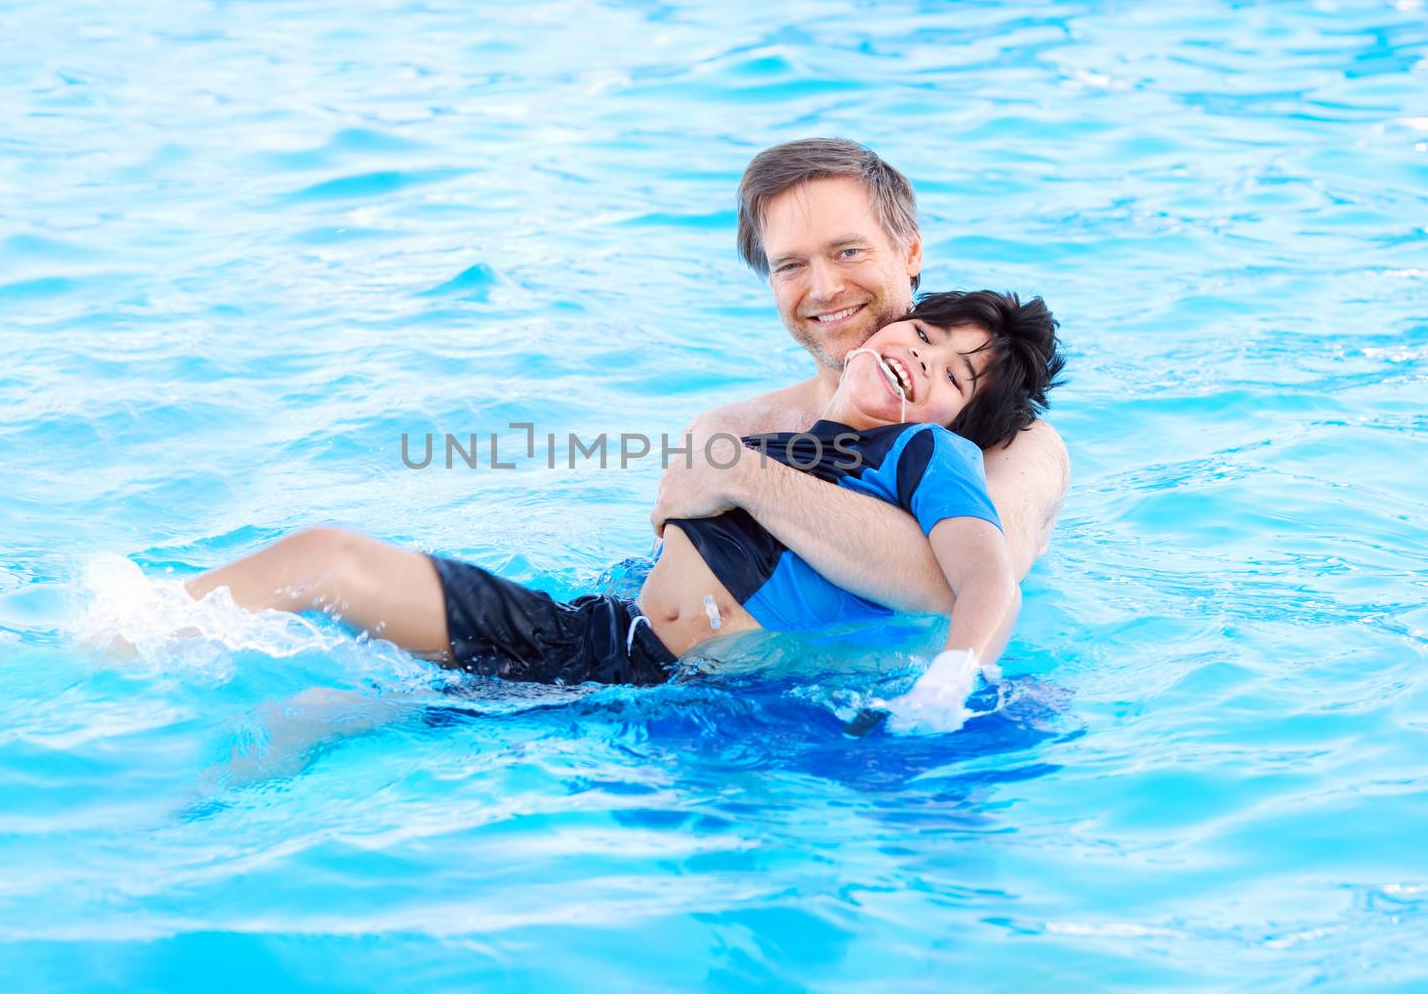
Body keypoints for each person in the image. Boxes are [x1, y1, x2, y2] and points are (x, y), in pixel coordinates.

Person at [185, 289, 1064, 733]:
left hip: (697, 695)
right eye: (927, 333)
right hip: (603, 641)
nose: (924, 359)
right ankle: (138, 630)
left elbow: (990, 578)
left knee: (344, 692)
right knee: (324, 563)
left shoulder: (928, 455)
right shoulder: (770, 439)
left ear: (964, 423)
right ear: (888, 325)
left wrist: (957, 675)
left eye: (957, 376)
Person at [651, 139, 1070, 621]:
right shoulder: (730, 430)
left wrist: (749, 479)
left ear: (909, 252)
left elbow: (971, 590)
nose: (825, 289)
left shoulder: (1015, 446)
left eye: (848, 251)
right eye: (791, 265)